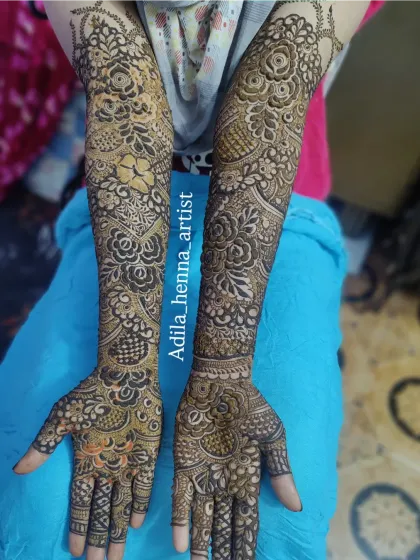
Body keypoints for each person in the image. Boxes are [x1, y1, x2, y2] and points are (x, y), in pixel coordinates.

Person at [4, 1, 369, 559]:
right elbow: (124, 92)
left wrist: (223, 371)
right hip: (126, 191)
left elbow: (271, 92)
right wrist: (124, 373)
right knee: (36, 504)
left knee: (278, 526)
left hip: (281, 197)